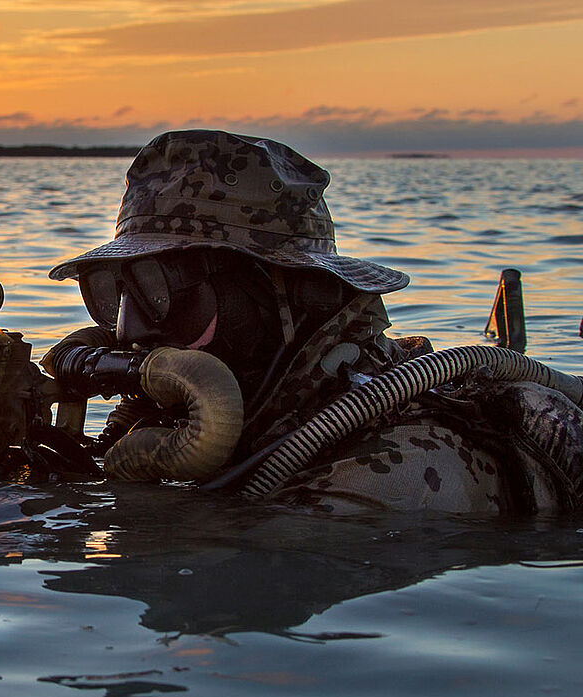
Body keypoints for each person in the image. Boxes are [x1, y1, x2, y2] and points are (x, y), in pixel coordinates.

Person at [43, 129, 583, 515]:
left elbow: (244, 576)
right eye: (112, 290)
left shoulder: (393, 467)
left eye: (160, 290)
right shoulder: (267, 413)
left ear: (281, 294)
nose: (131, 330)